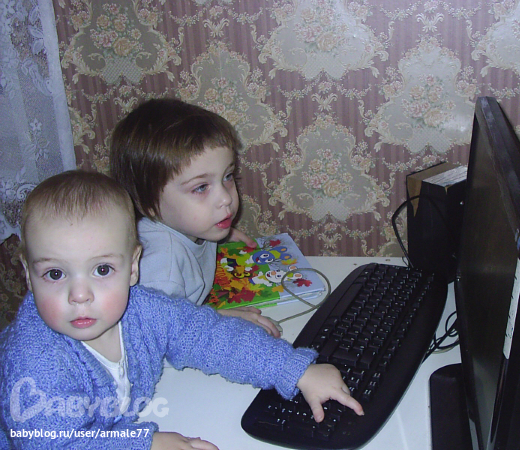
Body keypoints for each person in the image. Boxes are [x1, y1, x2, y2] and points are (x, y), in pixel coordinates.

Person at [0, 171, 363, 449]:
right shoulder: (34, 360)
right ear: (29, 275)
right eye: (55, 273)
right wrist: (145, 444)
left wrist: (294, 370)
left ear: (133, 267)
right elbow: (49, 443)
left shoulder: (145, 309)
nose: (79, 295)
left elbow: (209, 336)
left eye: (102, 269)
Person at [110, 98, 281, 337]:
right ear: (147, 203)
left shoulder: (192, 224)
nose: (226, 198)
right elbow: (156, 338)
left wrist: (225, 233)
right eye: (201, 187)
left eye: (228, 176)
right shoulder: (162, 271)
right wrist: (218, 319)